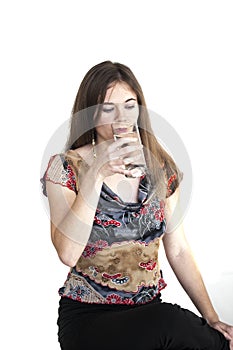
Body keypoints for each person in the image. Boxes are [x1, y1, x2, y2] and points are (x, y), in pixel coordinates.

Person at [41, 61, 233, 350]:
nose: (121, 117)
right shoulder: (65, 168)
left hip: (147, 313)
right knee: (169, 320)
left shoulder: (161, 166)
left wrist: (211, 316)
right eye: (108, 108)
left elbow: (178, 249)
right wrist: (97, 173)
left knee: (176, 327)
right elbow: (67, 254)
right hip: (90, 319)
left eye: (129, 105)